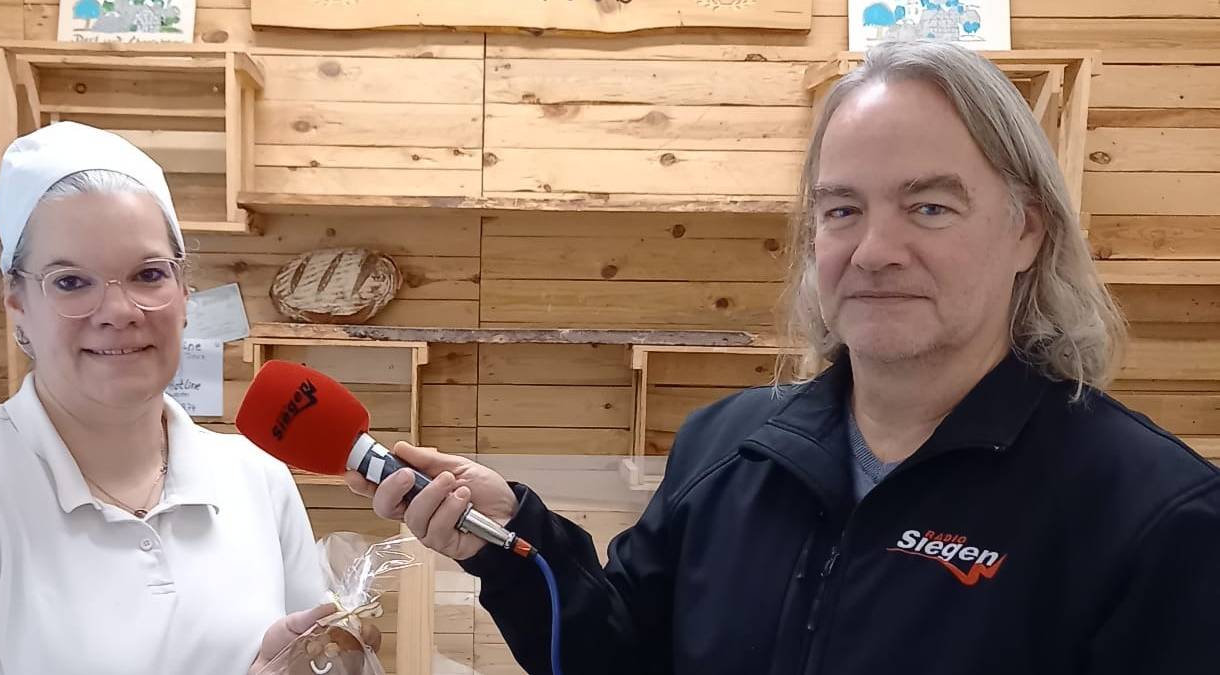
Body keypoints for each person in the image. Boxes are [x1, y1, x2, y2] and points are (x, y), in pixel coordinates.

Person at [345, 42, 1220, 674]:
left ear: (1026, 228)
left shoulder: (1152, 517)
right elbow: (618, 657)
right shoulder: (728, 446)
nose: (873, 250)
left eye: (928, 208)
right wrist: (512, 541)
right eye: (841, 210)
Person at [0, 122, 359, 674]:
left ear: (183, 296)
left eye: (148, 274)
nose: (120, 311)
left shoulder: (256, 479)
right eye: (71, 281)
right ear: (18, 304)